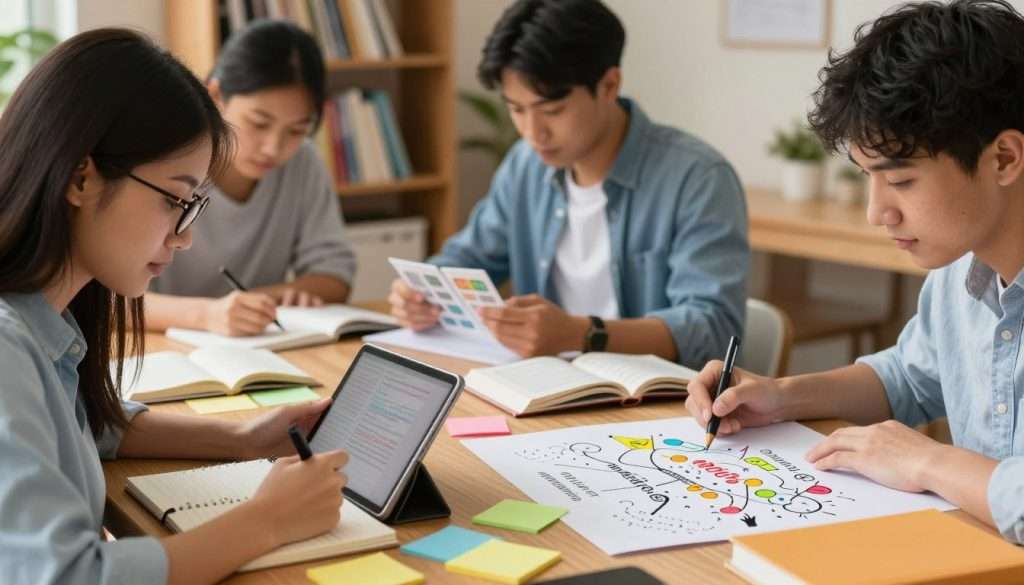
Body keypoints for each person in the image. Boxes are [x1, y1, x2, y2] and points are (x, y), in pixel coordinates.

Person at [0, 29, 350, 584]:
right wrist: (269, 519)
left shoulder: (45, 321)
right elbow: (71, 577)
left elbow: (86, 425)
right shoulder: (7, 347)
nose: (184, 236)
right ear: (80, 177)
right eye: (174, 200)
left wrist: (241, 439)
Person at [685, 0, 1024, 544]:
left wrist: (928, 463)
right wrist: (781, 395)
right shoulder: (960, 270)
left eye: (902, 180)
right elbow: (909, 378)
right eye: (867, 176)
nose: (876, 213)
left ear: (1004, 158)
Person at [388, 0, 749, 367]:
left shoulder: (698, 178)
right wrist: (420, 294)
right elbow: (468, 257)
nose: (533, 132)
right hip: (551, 389)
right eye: (516, 109)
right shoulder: (525, 167)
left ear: (609, 85)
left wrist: (581, 333)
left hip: (658, 404)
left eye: (552, 111)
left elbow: (713, 329)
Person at [147, 20, 356, 337]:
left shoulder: (304, 163)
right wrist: (208, 315)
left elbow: (334, 274)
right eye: (259, 123)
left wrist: (270, 301)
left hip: (255, 345)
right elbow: (107, 302)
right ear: (215, 96)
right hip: (156, 348)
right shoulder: (161, 160)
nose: (273, 148)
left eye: (297, 130)